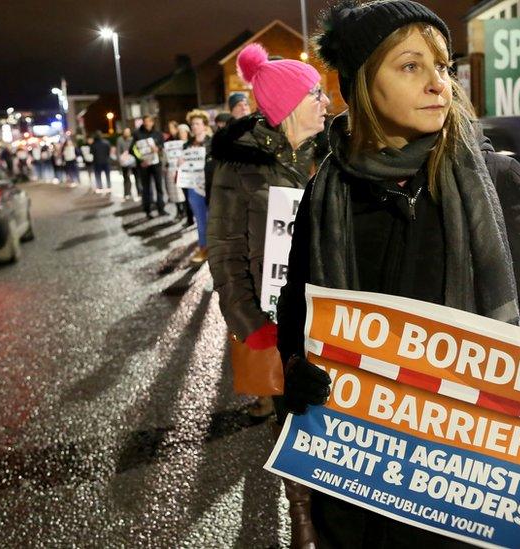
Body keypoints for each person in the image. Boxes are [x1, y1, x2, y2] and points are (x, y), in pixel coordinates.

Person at [276, 2, 520, 547]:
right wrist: (296, 364)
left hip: (461, 498)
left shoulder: (495, 180)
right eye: (410, 66)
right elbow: (297, 309)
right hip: (357, 493)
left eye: (442, 66)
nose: (437, 84)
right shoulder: (325, 193)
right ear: (358, 83)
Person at [208, 42, 328, 549]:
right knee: (294, 418)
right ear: (287, 105)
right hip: (277, 320)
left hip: (334, 318)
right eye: (315, 93)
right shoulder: (241, 167)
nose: (326, 101)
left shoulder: (335, 157)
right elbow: (225, 250)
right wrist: (248, 321)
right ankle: (301, 517)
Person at [182, 110, 212, 263]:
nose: (194, 126)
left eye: (197, 123)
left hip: (210, 187)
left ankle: (214, 248)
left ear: (205, 126)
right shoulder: (186, 145)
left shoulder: (212, 143)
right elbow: (182, 166)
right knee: (200, 220)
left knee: (212, 219)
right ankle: (203, 248)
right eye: (192, 124)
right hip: (193, 187)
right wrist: (180, 163)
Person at [132, 115, 166, 218]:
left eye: (149, 121)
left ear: (152, 122)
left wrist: (158, 148)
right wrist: (140, 160)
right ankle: (147, 210)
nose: (147, 123)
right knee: (146, 188)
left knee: (159, 187)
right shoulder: (137, 134)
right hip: (144, 165)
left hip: (156, 164)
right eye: (145, 121)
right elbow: (133, 149)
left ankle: (161, 208)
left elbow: (163, 146)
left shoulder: (158, 133)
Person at [166, 123, 192, 223]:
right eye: (180, 132)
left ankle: (188, 214)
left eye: (183, 132)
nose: (182, 134)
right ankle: (180, 211)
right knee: (176, 193)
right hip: (175, 171)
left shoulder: (191, 144)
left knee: (187, 195)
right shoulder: (173, 144)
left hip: (187, 173)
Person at [116, 127, 139, 200]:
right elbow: (118, 151)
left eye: (128, 132)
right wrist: (120, 159)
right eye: (125, 132)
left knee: (137, 177)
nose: (126, 134)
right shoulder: (120, 140)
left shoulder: (133, 139)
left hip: (133, 161)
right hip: (124, 162)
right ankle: (127, 193)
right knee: (126, 178)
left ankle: (139, 192)